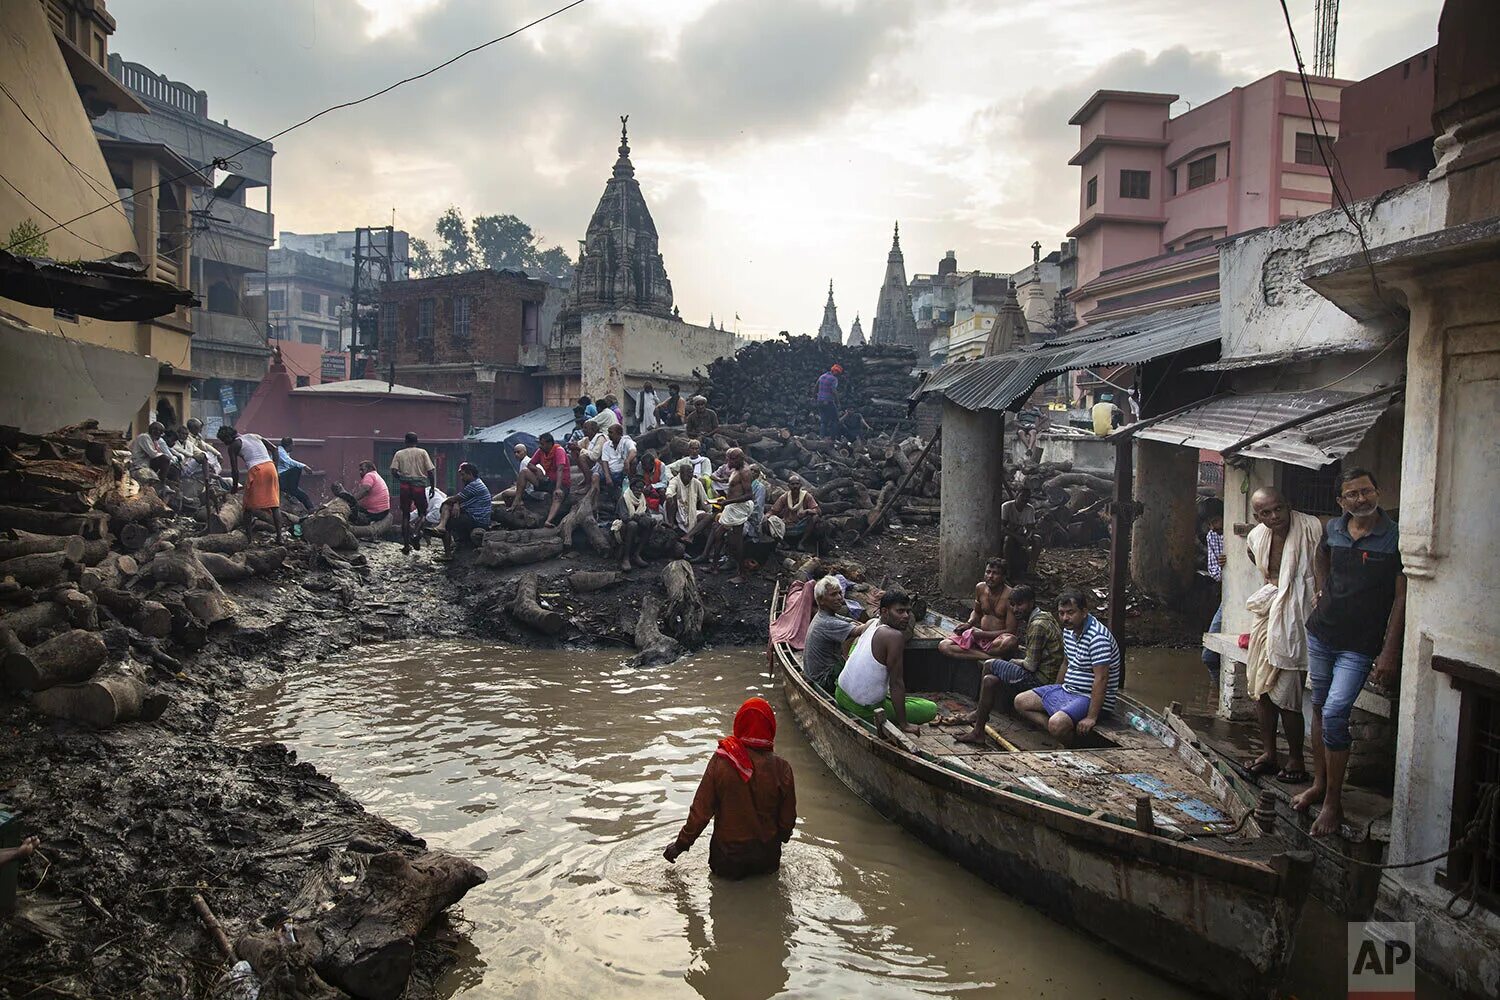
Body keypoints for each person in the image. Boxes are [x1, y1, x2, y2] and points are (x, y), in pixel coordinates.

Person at [1293, 468, 1406, 837]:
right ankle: (1320, 784)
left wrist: (1389, 652)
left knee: (1337, 711)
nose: (1360, 499)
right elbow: (1320, 557)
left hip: (1360, 645)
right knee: (1321, 708)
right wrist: (1321, 590)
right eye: (1352, 495)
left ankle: (1333, 803)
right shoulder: (1334, 530)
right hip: (1323, 633)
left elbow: (1402, 596)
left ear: (1378, 492)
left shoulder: (1394, 537)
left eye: (1366, 491)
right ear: (1341, 502)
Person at [663, 697, 796, 879]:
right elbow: (787, 820)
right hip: (766, 859)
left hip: (727, 860)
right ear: (770, 728)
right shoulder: (782, 768)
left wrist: (680, 845)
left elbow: (700, 812)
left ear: (739, 724)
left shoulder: (722, 761)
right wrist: (781, 837)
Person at [1241, 487, 1319, 784]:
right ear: (1256, 516)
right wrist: (1277, 586)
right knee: (1261, 690)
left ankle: (1297, 758)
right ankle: (1269, 754)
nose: (1274, 517)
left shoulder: (1310, 527)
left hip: (1295, 620)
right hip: (1268, 616)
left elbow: (1326, 557)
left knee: (1287, 695)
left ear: (1288, 506)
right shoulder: (1257, 537)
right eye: (1266, 513)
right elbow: (1258, 561)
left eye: (1278, 509)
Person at [954, 585, 1065, 745]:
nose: (1015, 609)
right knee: (989, 680)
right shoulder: (1044, 616)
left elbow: (1031, 666)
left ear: (1031, 602)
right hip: (1043, 672)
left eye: (1020, 604)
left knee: (990, 665)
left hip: (1042, 680)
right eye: (1012, 605)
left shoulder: (1038, 625)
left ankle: (978, 717)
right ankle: (978, 729)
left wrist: (1013, 662)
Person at [1014, 588, 1121, 743]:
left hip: (1088, 697)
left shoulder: (1097, 638)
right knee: (1020, 702)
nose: (1065, 618)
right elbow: (1066, 662)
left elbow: (1102, 678)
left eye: (1071, 613)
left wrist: (1091, 717)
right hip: (1068, 691)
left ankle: (1074, 744)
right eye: (1062, 613)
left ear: (1084, 612)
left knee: (1056, 723)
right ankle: (1061, 733)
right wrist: (1056, 688)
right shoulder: (1068, 632)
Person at [835, 590, 937, 730]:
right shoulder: (894, 637)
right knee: (930, 708)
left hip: (840, 693)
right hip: (862, 708)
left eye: (908, 611)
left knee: (893, 694)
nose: (906, 616)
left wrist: (846, 657)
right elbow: (896, 683)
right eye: (900, 612)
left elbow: (850, 637)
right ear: (885, 611)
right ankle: (899, 718)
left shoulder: (871, 622)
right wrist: (904, 724)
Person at [938, 558, 1019, 662]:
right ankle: (990, 657)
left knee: (1011, 641)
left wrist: (979, 634)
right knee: (944, 646)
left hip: (997, 642)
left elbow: (1010, 630)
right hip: (980, 639)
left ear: (1003, 577)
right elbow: (977, 612)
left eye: (995, 573)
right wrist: (969, 623)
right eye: (988, 572)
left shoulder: (1010, 595)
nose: (990, 576)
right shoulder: (980, 588)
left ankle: (982, 653)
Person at [804, 575, 873, 691]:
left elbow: (852, 622)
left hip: (817, 674)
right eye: (833, 595)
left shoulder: (826, 616)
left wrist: (859, 625)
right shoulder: (826, 622)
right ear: (821, 600)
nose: (839, 598)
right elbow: (859, 630)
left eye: (840, 593)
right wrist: (876, 621)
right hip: (824, 679)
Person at [216, 425, 284, 544]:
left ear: (227, 437)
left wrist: (234, 487)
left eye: (224, 440)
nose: (225, 443)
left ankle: (248, 539)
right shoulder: (254, 436)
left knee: (247, 507)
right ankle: (280, 537)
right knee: (274, 505)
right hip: (270, 467)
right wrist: (276, 469)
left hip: (257, 470)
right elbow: (274, 449)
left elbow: (235, 470)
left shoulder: (234, 445)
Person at [701, 448, 753, 583]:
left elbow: (748, 495)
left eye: (731, 459)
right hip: (731, 507)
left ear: (740, 459)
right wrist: (726, 481)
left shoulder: (745, 472)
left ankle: (742, 574)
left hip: (739, 508)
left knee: (736, 541)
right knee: (718, 534)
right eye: (727, 458)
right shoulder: (736, 469)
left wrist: (728, 501)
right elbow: (736, 485)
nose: (728, 462)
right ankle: (714, 567)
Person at [390, 432, 436, 554]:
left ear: (405, 441)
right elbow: (430, 471)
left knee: (405, 515)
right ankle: (416, 533)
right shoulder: (422, 452)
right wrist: (432, 487)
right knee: (422, 513)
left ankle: (406, 546)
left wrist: (402, 478)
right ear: (417, 441)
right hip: (419, 486)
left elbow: (393, 471)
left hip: (405, 486)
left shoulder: (399, 454)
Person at [431, 462, 491, 557]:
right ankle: (442, 528)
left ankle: (447, 554)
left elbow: (453, 499)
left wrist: (454, 502)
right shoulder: (475, 483)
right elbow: (458, 499)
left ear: (470, 474)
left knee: (449, 519)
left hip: (478, 520)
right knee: (448, 509)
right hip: (474, 516)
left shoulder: (474, 485)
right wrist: (456, 504)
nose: (461, 478)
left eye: (463, 475)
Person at [1200, 498, 1227, 678]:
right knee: (1209, 656)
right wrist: (1225, 566)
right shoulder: (1212, 536)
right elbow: (1215, 572)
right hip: (1227, 597)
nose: (1213, 527)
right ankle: (1217, 692)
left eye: (1215, 521)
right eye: (1209, 523)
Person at [612, 472, 655, 571]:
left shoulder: (642, 500)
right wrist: (638, 517)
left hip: (638, 523)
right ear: (631, 488)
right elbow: (625, 518)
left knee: (650, 523)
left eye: (641, 488)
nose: (639, 490)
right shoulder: (624, 498)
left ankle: (637, 554)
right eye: (636, 488)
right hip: (623, 526)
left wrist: (646, 518)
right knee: (632, 525)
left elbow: (648, 514)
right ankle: (626, 558)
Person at [768, 475, 821, 552]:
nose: (795, 486)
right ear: (788, 486)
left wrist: (807, 511)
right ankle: (784, 544)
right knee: (769, 521)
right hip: (787, 524)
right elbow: (773, 511)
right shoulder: (784, 497)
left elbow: (818, 510)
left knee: (815, 517)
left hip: (802, 524)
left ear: (800, 485)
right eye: (792, 484)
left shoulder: (806, 496)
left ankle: (802, 542)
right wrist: (767, 516)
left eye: (797, 484)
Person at [665, 460, 712, 545]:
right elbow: (670, 488)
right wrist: (668, 495)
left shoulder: (696, 482)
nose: (691, 476)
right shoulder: (675, 480)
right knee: (671, 498)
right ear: (681, 474)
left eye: (692, 474)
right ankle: (671, 524)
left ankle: (688, 536)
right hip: (678, 512)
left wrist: (709, 509)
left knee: (708, 517)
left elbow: (704, 499)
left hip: (692, 512)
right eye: (688, 474)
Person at [1001, 485, 1040, 581]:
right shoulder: (1006, 506)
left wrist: (1028, 536)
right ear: (1016, 496)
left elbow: (1031, 527)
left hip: (1021, 535)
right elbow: (1002, 527)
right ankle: (1008, 570)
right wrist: (1018, 537)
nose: (1025, 499)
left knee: (1038, 539)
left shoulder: (1029, 509)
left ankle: (1031, 569)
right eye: (1022, 496)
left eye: (1027, 497)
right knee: (1007, 540)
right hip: (1009, 535)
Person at [340, 460, 391, 525]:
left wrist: (351, 500)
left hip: (375, 513)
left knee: (350, 512)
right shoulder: (376, 475)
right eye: (359, 470)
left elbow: (365, 490)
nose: (360, 472)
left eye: (362, 469)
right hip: (383, 511)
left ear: (370, 469)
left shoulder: (369, 475)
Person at [275, 436, 315, 511]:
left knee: (303, 495)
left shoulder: (285, 452)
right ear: (289, 445)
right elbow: (289, 461)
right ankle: (292, 490)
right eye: (292, 445)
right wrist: (304, 466)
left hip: (285, 479)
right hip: (280, 479)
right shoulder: (280, 451)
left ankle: (311, 510)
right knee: (297, 469)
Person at [598, 423, 637, 492]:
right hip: (611, 473)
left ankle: (631, 484)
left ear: (619, 433)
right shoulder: (606, 445)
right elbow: (604, 461)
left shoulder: (626, 441)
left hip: (623, 473)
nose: (608, 435)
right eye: (608, 432)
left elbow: (633, 451)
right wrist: (607, 476)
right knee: (595, 476)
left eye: (611, 432)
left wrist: (627, 461)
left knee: (633, 460)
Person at [814, 364, 842, 437]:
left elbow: (816, 386)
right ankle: (833, 438)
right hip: (828, 401)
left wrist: (815, 397)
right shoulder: (834, 379)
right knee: (835, 420)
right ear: (835, 372)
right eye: (838, 373)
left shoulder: (822, 376)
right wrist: (838, 402)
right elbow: (833, 390)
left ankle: (821, 437)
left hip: (820, 401)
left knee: (823, 421)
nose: (838, 375)